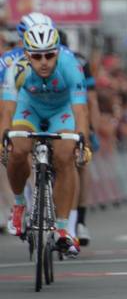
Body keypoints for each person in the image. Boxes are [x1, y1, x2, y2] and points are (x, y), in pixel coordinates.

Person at [1, 23, 90, 256]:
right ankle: (20, 205)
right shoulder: (16, 68)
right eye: (37, 56)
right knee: (17, 150)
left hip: (61, 112)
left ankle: (62, 229)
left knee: (65, 156)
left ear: (58, 52)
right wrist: (4, 137)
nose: (44, 62)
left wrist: (82, 141)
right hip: (27, 109)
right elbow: (7, 111)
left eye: (49, 55)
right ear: (26, 54)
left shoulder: (71, 66)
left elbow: (81, 111)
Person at [57, 29, 103, 247]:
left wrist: (92, 129)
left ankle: (80, 222)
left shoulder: (79, 63)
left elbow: (90, 100)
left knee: (79, 165)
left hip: (73, 112)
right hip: (44, 114)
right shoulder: (33, 64)